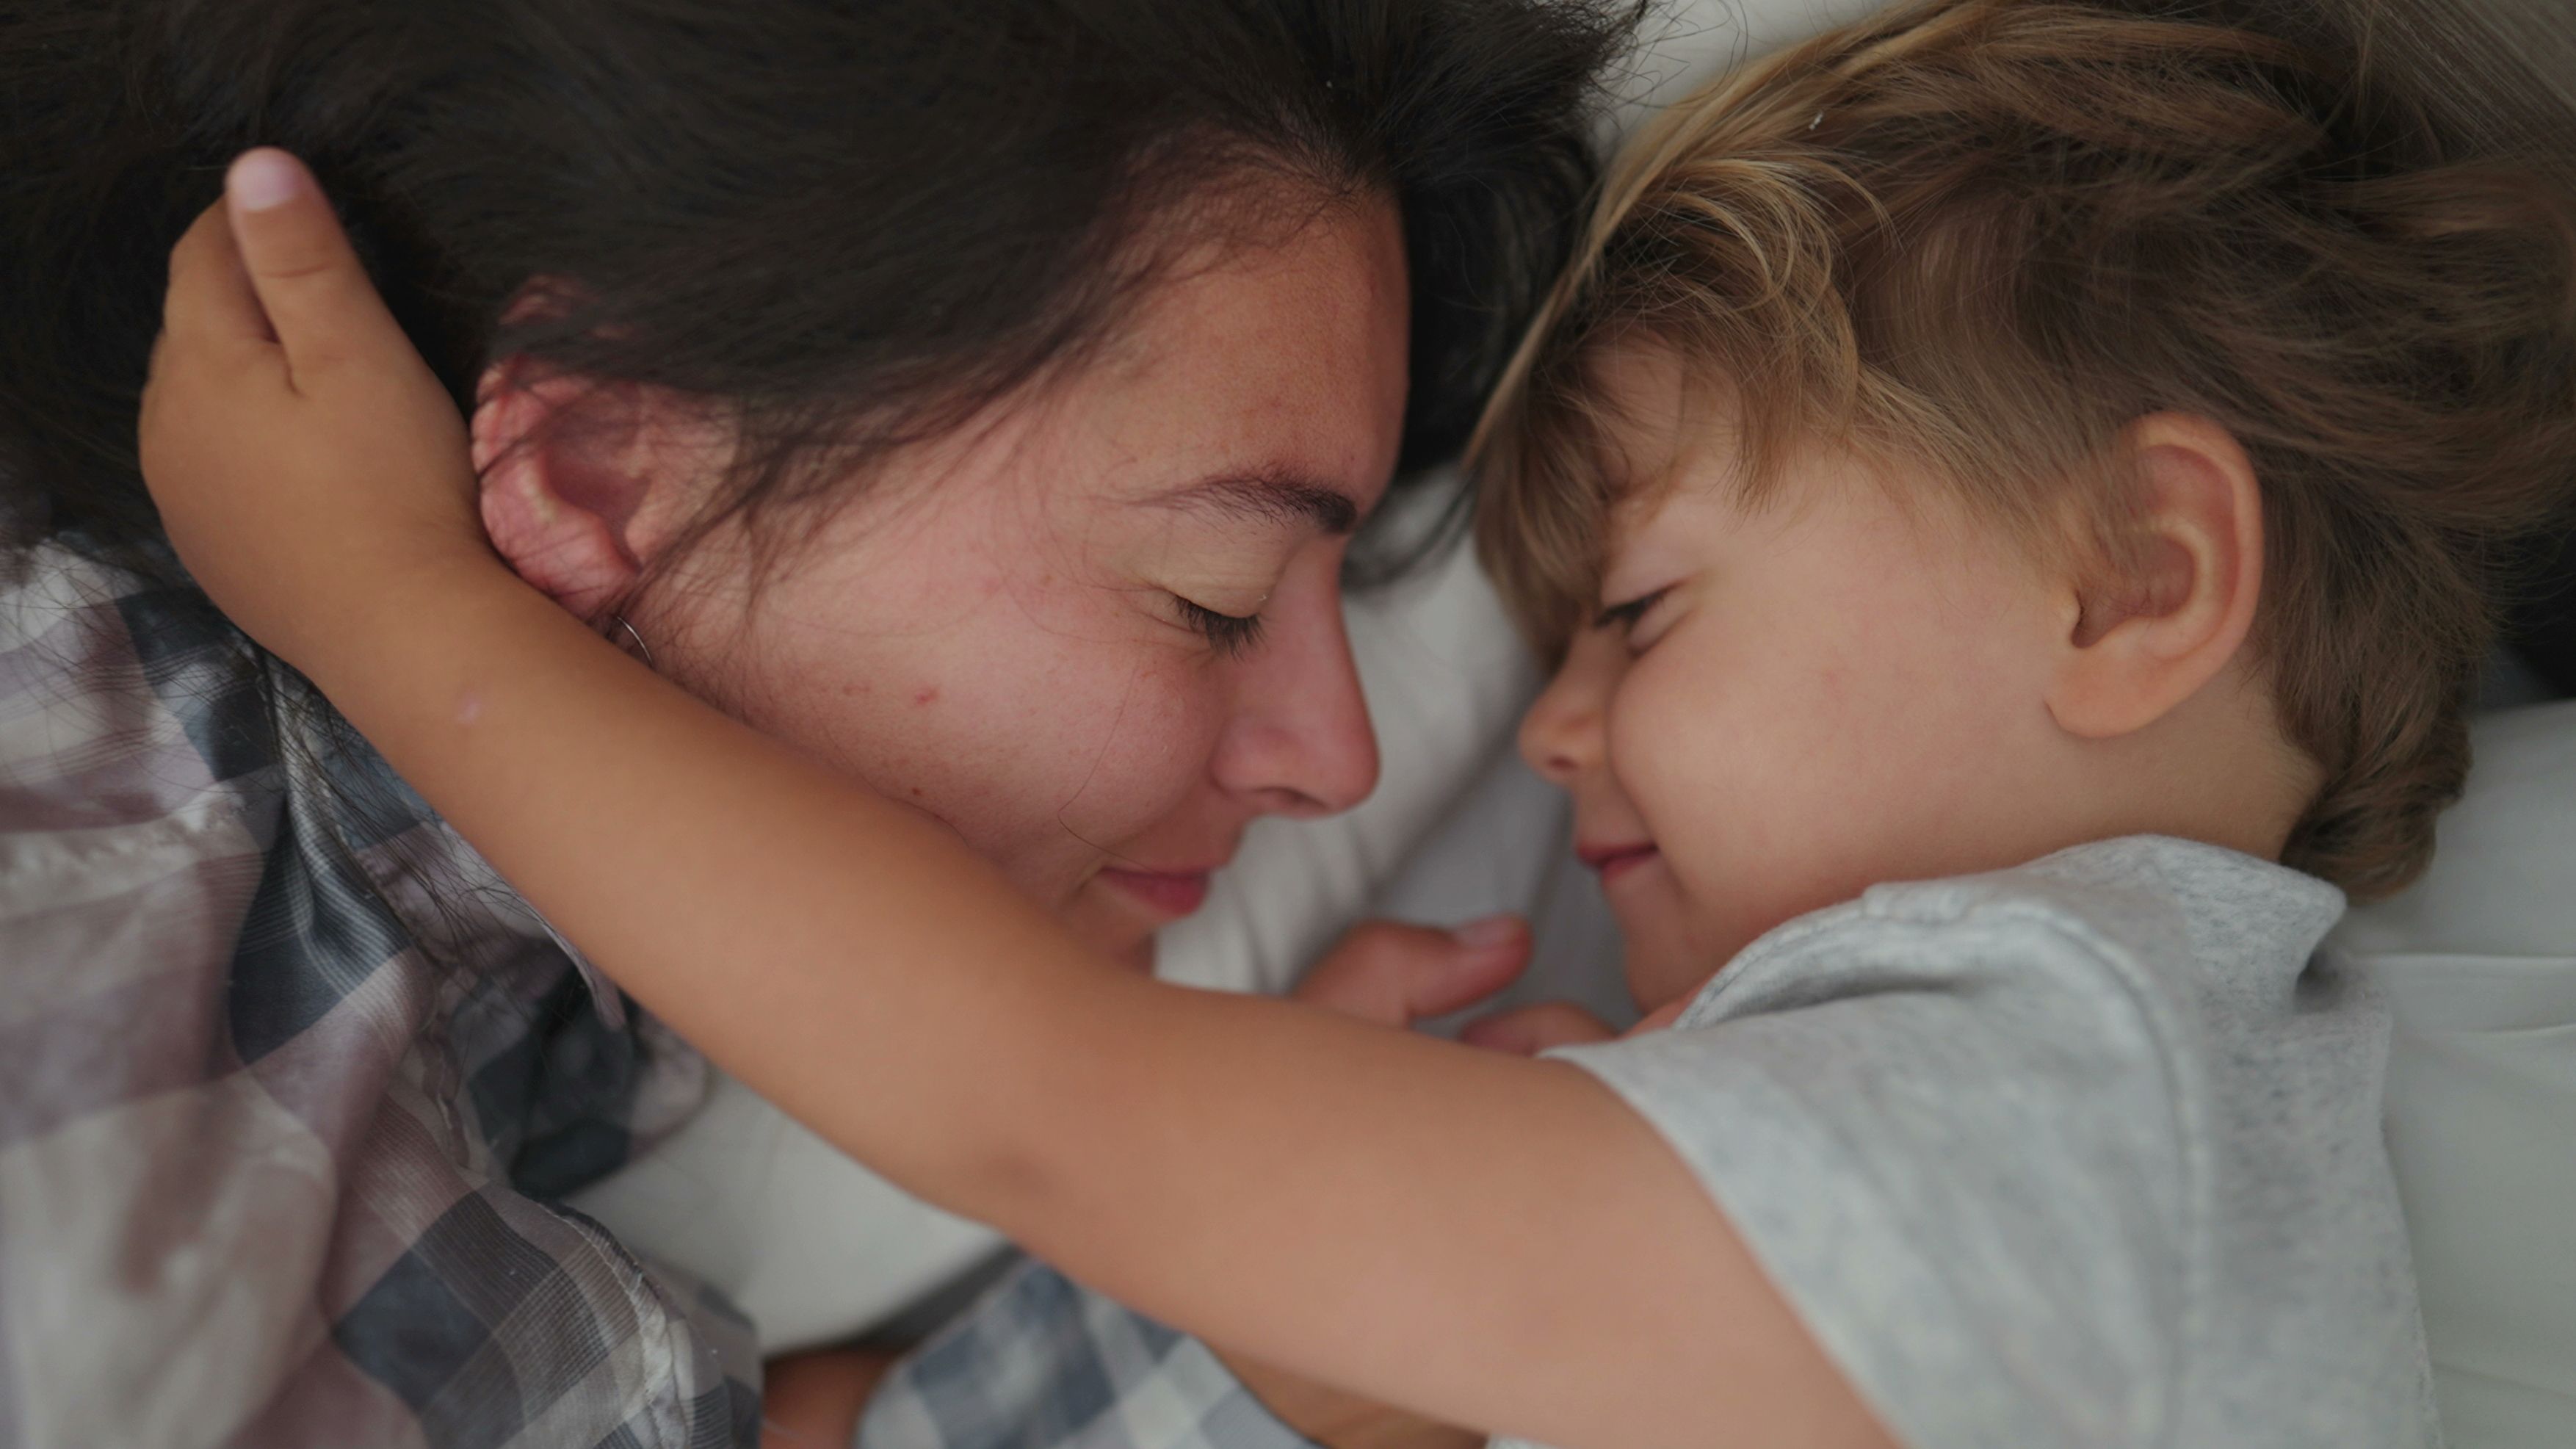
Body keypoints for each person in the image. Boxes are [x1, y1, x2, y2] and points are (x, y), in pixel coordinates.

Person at [134, 0, 2576, 1444]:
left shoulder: (2078, 1105)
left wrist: (377, 600)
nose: (1541, 734)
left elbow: (1026, 1101)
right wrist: (1305, 1302)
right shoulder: (2076, 1139)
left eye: (1637, 608)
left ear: (2131, 586)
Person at [0, 2, 1629, 1444]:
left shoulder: (454, 1036)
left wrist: (1265, 1362)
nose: (1335, 763)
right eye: (1211, 594)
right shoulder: (102, 911)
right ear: (593, 475)